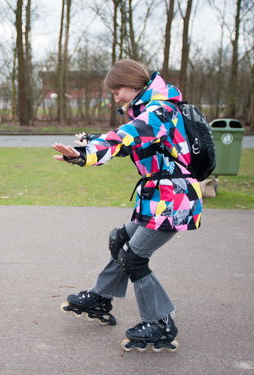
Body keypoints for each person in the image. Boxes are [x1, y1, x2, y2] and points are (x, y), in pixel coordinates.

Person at [53, 59, 202, 353]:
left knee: (134, 258)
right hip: (158, 196)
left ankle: (160, 322)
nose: (116, 97)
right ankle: (101, 295)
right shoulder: (151, 110)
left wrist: (86, 153)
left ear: (133, 85)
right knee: (121, 240)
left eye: (116, 90)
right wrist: (88, 147)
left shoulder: (162, 110)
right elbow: (130, 142)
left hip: (174, 198)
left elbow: (128, 136)